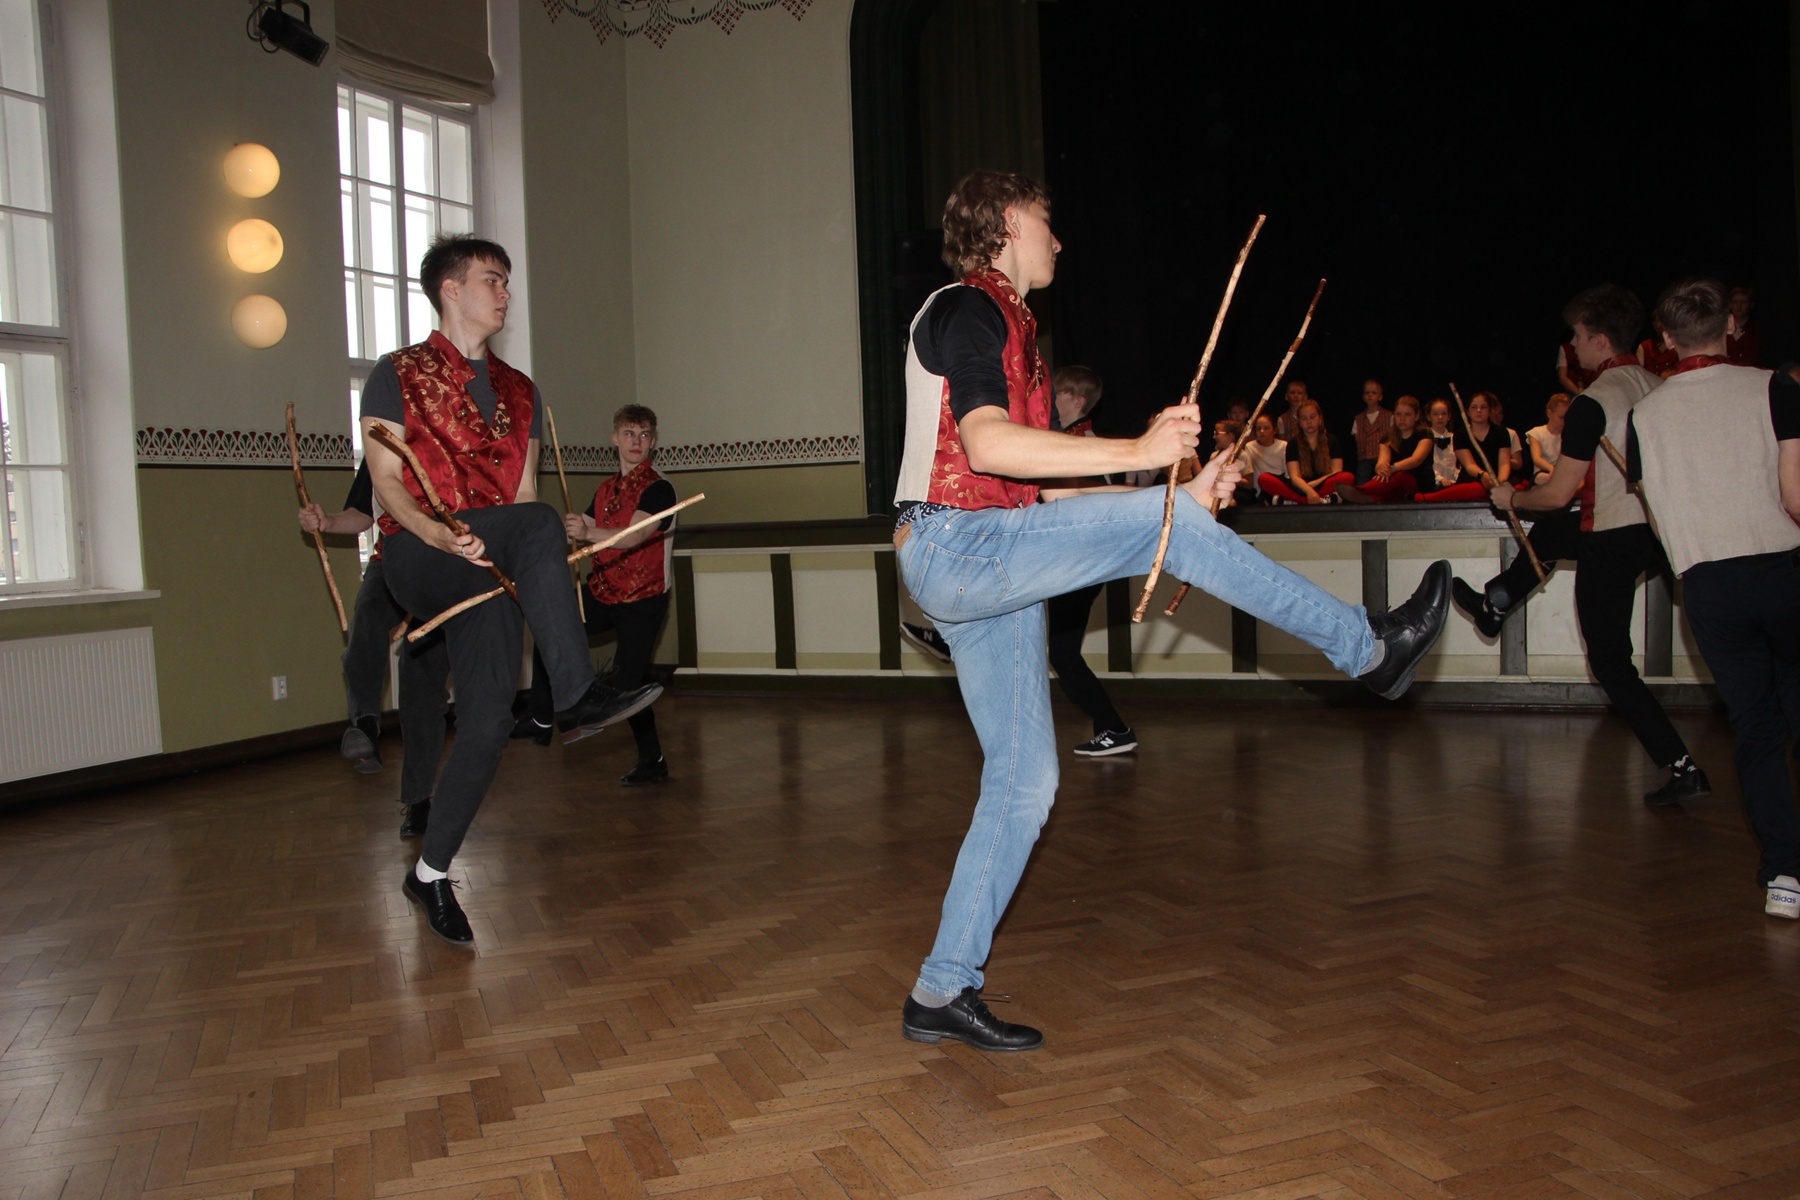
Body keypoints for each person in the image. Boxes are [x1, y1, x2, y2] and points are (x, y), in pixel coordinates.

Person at [891, 170, 1451, 1051]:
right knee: (1170, 530)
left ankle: (941, 988)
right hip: (956, 545)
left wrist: (1179, 499)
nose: (1058, 239)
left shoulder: (1014, 331)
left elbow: (1041, 498)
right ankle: (1368, 648)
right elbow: (988, 445)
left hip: (983, 556)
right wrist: (1148, 454)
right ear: (1004, 222)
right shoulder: (970, 306)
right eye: (1046, 220)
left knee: (1026, 781)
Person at [361, 233, 661, 945]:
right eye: (491, 279)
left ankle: (430, 874)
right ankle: (576, 694)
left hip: (489, 562)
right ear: (451, 290)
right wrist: (436, 534)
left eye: (506, 281)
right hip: (420, 552)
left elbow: (522, 497)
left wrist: (543, 553)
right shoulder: (396, 373)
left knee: (490, 721)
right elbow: (386, 481)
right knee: (532, 524)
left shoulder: (522, 389)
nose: (505, 292)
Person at [1467, 283, 1708, 806]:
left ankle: (1683, 767)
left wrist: (1511, 497)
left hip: (1614, 539)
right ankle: (1496, 602)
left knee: (1611, 664)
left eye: (1576, 335)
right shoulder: (1657, 386)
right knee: (1554, 535)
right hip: (1656, 534)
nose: (1571, 345)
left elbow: (1557, 494)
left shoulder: (1592, 402)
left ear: (1599, 340)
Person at [1628, 277, 1800, 916]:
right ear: (1730, 324)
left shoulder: (1644, 415)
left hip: (1708, 583)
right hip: (1782, 567)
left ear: (1665, 339)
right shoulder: (1772, 386)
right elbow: (1795, 494)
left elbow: (1656, 510)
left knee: (1754, 727)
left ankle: (1785, 875)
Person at [515, 405, 679, 786]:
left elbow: (635, 535)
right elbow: (584, 526)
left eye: (644, 435)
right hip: (604, 591)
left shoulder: (660, 488)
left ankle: (652, 760)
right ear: (615, 438)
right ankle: (540, 717)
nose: (636, 441)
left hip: (644, 598)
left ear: (653, 441)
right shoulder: (606, 488)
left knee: (628, 688)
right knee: (552, 624)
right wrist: (561, 530)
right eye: (629, 433)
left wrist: (587, 533)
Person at [298, 461, 449, 838]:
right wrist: (326, 522)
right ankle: (364, 723)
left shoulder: (452, 440)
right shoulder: (382, 447)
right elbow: (362, 514)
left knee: (420, 681)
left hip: (445, 567)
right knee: (367, 613)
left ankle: (418, 801)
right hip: (392, 559)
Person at [1040, 366, 1138, 757]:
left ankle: (1115, 727)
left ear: (1078, 400)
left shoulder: (1082, 445)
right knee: (1060, 651)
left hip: (1081, 560)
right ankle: (1113, 728)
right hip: (1075, 560)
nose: (1051, 399)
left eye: (1058, 393)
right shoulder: (1071, 441)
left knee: (1062, 653)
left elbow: (1096, 500)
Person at [1417, 391, 1508, 502]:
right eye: (1474, 407)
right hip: (1474, 478)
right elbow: (1469, 465)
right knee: (1477, 489)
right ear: (1468, 412)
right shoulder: (1461, 434)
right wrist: (1482, 475)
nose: (1479, 410)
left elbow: (1504, 463)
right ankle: (1428, 498)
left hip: (1495, 478)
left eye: (1483, 407)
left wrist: (1500, 482)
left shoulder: (1501, 432)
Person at [1258, 399, 1352, 503]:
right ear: (1299, 422)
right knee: (1264, 478)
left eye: (1312, 417)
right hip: (1300, 487)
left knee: (1347, 477)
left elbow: (1337, 472)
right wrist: (1308, 490)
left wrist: (1312, 485)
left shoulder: (1332, 440)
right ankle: (1322, 500)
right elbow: (1294, 477)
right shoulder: (1293, 443)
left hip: (1322, 484)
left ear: (1320, 419)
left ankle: (1295, 501)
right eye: (1304, 418)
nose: (1309, 422)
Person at [1338, 395, 1428, 503]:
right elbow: (1382, 461)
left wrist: (1393, 468)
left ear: (1416, 416)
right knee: (1384, 479)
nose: (1402, 418)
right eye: (1398, 414)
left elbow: (1417, 459)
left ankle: (1361, 490)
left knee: (1399, 475)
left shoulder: (1424, 433)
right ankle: (1366, 498)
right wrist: (1381, 469)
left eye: (1407, 414)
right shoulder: (1388, 436)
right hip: (1393, 481)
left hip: (1418, 482)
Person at [1237, 413, 1288, 503]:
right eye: (1258, 429)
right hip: (1259, 490)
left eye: (1266, 428)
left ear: (1274, 430)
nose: (1262, 431)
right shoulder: (1249, 446)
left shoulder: (1284, 445)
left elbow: (1287, 472)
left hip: (1279, 486)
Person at [1350, 379, 1393, 484]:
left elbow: (1393, 436)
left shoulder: (1389, 416)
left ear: (1380, 397)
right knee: (1361, 481)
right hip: (1364, 458)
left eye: (1373, 393)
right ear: (1363, 396)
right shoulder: (1358, 418)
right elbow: (1356, 436)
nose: (1370, 395)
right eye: (1367, 393)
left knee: (1382, 480)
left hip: (1382, 458)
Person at [1527, 394, 1569, 487]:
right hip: (1543, 473)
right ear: (1549, 413)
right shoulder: (1537, 432)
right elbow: (1537, 459)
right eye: (1561, 417)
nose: (1564, 421)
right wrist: (1552, 469)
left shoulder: (1568, 436)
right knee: (1544, 478)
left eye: (1567, 418)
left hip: (1562, 473)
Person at [1726, 285, 1760, 367]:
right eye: (1735, 302)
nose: (1739, 306)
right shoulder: (1721, 330)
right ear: (1730, 305)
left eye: (1744, 302)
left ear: (1751, 305)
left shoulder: (1756, 330)